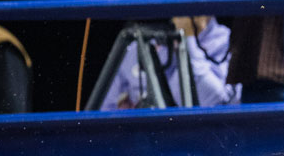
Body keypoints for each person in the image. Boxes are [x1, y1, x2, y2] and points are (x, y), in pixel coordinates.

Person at [98, 16, 241, 109]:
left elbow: (213, 105)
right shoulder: (136, 46)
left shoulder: (230, 42)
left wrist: (187, 39)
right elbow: (105, 112)